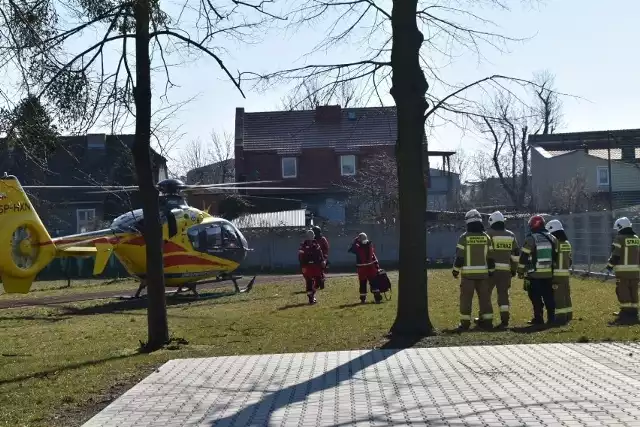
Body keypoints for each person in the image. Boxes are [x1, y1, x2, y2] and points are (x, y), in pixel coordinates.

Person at [452, 209, 496, 330]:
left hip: (468, 276)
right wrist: (491, 272)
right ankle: (487, 322)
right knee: (485, 300)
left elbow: (459, 257)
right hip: (484, 276)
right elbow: (491, 258)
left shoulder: (464, 238)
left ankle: (465, 324)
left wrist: (455, 270)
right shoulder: (486, 237)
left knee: (466, 299)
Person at [518, 215, 558, 325]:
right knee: (549, 296)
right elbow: (556, 255)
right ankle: (551, 318)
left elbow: (524, 256)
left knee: (535, 297)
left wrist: (520, 271)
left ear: (532, 225)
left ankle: (538, 318)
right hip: (549, 274)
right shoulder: (552, 238)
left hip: (534, 274)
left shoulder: (531, 238)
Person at [485, 211, 520, 328]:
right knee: (503, 295)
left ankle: (485, 319)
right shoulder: (511, 235)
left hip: (490, 271)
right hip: (506, 271)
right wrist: (514, 269)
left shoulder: (488, 234)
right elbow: (515, 255)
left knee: (486, 295)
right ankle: (505, 320)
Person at [605, 216, 640, 324]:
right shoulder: (636, 238)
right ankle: (634, 311)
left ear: (620, 227)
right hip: (636, 272)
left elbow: (615, 256)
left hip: (623, 272)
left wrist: (609, 266)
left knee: (622, 291)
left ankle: (626, 312)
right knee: (634, 291)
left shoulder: (619, 238)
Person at [546, 219, 573, 325]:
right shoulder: (567, 243)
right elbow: (570, 260)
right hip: (565, 273)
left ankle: (561, 318)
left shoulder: (555, 243)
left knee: (558, 297)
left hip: (556, 274)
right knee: (566, 295)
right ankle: (569, 315)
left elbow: (552, 258)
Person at [348, 232, 382, 304]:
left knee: (363, 284)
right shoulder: (369, 245)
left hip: (362, 269)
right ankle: (377, 298)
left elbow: (351, 249)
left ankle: (363, 300)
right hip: (371, 268)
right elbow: (373, 256)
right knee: (374, 283)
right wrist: (377, 265)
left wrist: (355, 241)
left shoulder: (358, 248)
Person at [298, 229, 325, 305]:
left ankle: (312, 293)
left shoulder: (316, 244)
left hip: (316, 265)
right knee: (309, 282)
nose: (311, 237)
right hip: (307, 266)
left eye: (312, 235)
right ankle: (311, 299)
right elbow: (300, 257)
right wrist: (303, 266)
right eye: (309, 236)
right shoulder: (302, 245)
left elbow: (320, 253)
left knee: (319, 281)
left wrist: (323, 260)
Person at [312, 225, 329, 289]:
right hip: (314, 258)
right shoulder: (312, 239)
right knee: (314, 271)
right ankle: (316, 284)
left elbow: (326, 248)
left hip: (321, 257)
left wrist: (324, 258)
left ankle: (321, 283)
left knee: (320, 271)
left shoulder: (322, 239)